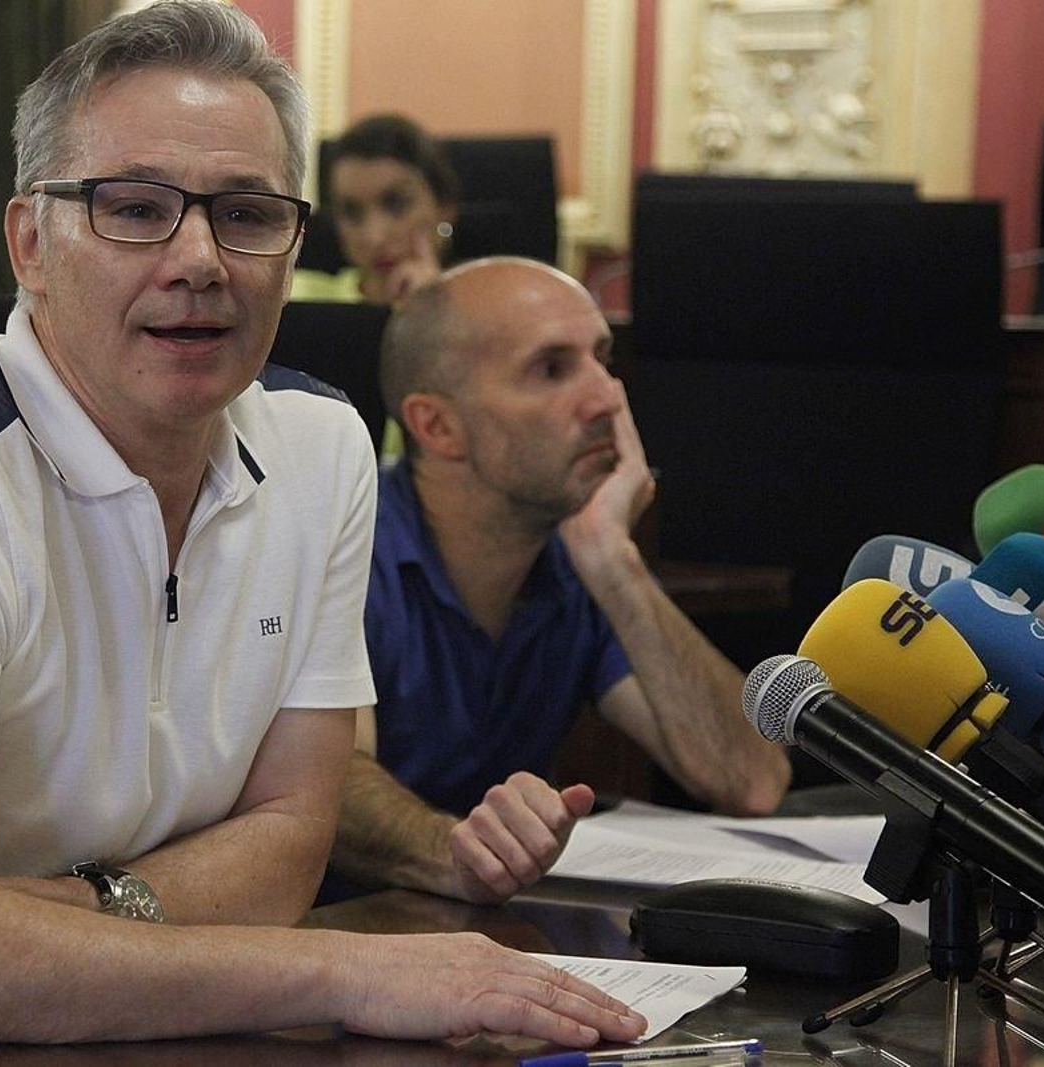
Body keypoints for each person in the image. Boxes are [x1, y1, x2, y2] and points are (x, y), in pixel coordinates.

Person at [0, 6, 647, 1063]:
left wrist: (21, 920)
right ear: (31, 243)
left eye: (247, 213)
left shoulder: (324, 453)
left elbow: (289, 848)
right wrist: (356, 966)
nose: (200, 258)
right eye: (135, 209)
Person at [329, 258, 794, 905]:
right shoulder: (343, 542)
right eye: (551, 368)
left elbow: (750, 781)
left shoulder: (572, 559)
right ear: (437, 426)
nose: (608, 396)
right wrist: (458, 849)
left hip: (474, 943)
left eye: (602, 359)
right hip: (327, 948)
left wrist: (614, 560)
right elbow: (327, 782)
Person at [292, 113, 458, 306]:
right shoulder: (293, 298)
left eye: (397, 205)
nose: (374, 237)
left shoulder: (480, 308)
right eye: (351, 213)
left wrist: (433, 309)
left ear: (445, 207)